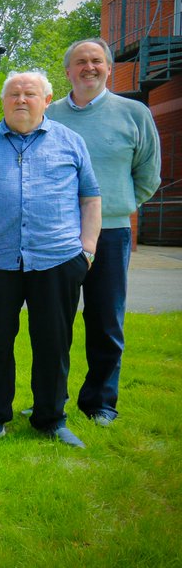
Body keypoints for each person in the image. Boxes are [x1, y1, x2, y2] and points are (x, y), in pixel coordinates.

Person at [0, 70, 101, 447]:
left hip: (56, 257)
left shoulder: (70, 142)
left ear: (46, 100)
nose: (21, 100)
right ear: (2, 102)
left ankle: (51, 418)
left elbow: (90, 198)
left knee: (53, 341)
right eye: (13, 94)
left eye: (30, 93)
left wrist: (87, 250)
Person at [45, 38, 161, 426]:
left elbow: (147, 176)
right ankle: (50, 400)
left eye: (97, 61)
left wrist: (117, 203)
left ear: (109, 68)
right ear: (67, 71)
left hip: (110, 233)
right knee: (53, 321)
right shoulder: (51, 115)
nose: (89, 68)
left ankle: (100, 403)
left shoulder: (134, 113)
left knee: (106, 322)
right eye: (80, 62)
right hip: (57, 235)